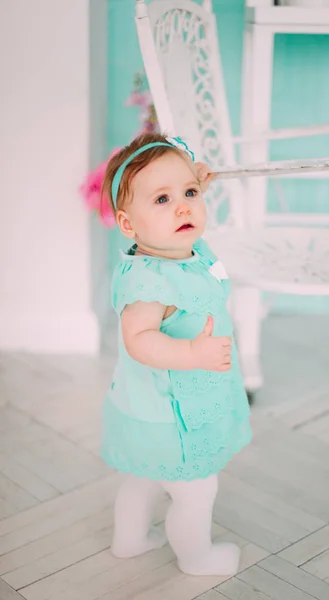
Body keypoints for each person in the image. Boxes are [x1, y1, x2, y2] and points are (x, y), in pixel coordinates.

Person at [100, 132, 252, 576]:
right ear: (129, 226)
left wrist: (191, 180)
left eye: (189, 193)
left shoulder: (178, 250)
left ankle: (128, 540)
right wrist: (191, 351)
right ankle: (197, 557)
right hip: (173, 415)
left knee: (143, 475)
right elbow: (139, 339)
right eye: (163, 199)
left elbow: (184, 192)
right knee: (196, 490)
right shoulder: (151, 283)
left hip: (145, 406)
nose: (185, 206)